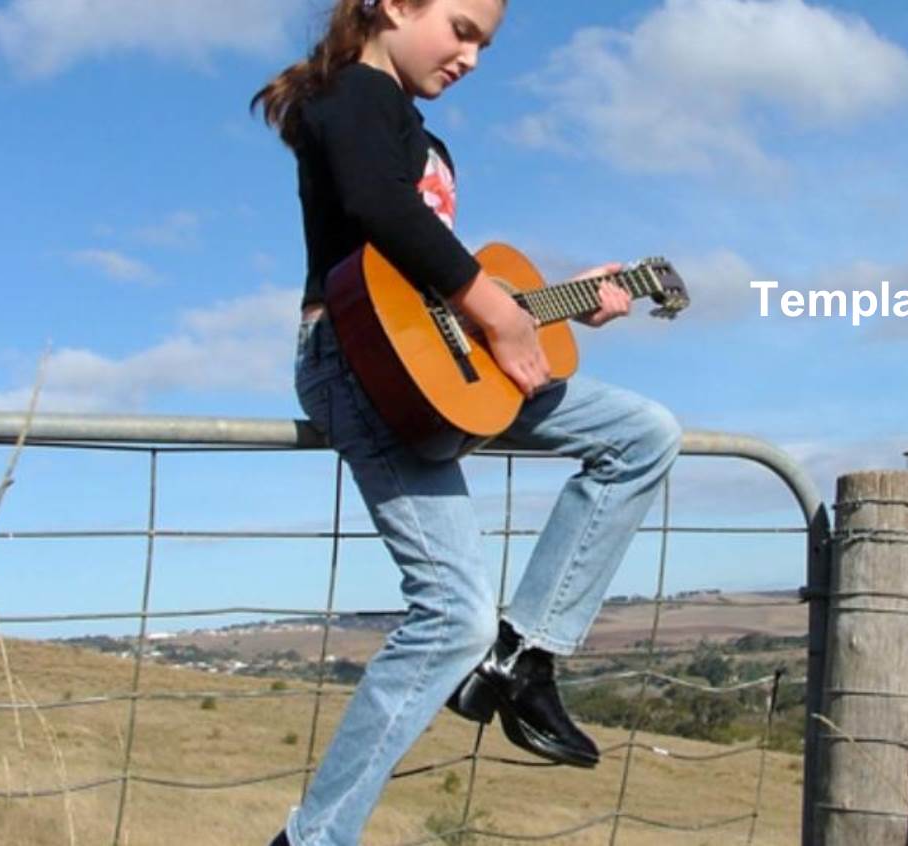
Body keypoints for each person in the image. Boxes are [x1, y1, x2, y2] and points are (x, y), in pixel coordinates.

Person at [250, 0, 681, 843]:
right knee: (451, 614)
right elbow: (380, 207)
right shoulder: (346, 93)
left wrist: (552, 305)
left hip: (429, 363)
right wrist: (498, 308)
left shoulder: (410, 123)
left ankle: (523, 656)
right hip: (355, 360)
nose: (473, 59)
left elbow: (431, 289)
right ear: (391, 5)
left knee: (643, 435)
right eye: (460, 29)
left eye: (484, 43)